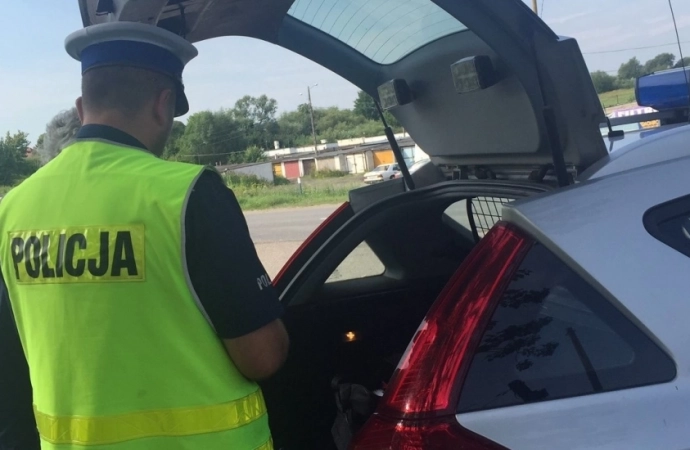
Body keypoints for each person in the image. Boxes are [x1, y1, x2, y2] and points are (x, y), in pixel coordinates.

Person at [0, 22, 288, 450]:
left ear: (82, 108)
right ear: (164, 104)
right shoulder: (189, 193)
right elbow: (262, 356)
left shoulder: (13, 209)